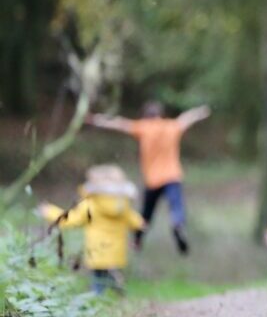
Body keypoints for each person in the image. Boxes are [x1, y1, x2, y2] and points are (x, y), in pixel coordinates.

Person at [85, 101, 210, 254]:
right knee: (176, 206)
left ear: (145, 116)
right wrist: (200, 111)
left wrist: (96, 119)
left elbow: (119, 124)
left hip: (153, 180)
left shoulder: (143, 127)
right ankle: (178, 225)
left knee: (146, 213)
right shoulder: (171, 126)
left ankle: (137, 240)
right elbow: (186, 118)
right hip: (172, 176)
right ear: (160, 115)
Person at [37, 164, 146, 295]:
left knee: (98, 278)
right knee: (106, 272)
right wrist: (141, 224)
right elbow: (136, 221)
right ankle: (115, 286)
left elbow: (70, 219)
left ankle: (98, 297)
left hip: (97, 250)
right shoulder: (122, 205)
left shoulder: (91, 204)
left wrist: (49, 211)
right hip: (116, 250)